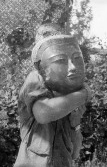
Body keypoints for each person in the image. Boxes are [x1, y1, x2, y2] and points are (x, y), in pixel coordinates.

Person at [14, 25, 93, 167]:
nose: (72, 67)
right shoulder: (35, 78)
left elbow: (75, 154)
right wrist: (85, 93)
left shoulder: (70, 92)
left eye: (76, 59)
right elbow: (43, 113)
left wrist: (75, 123)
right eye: (60, 60)